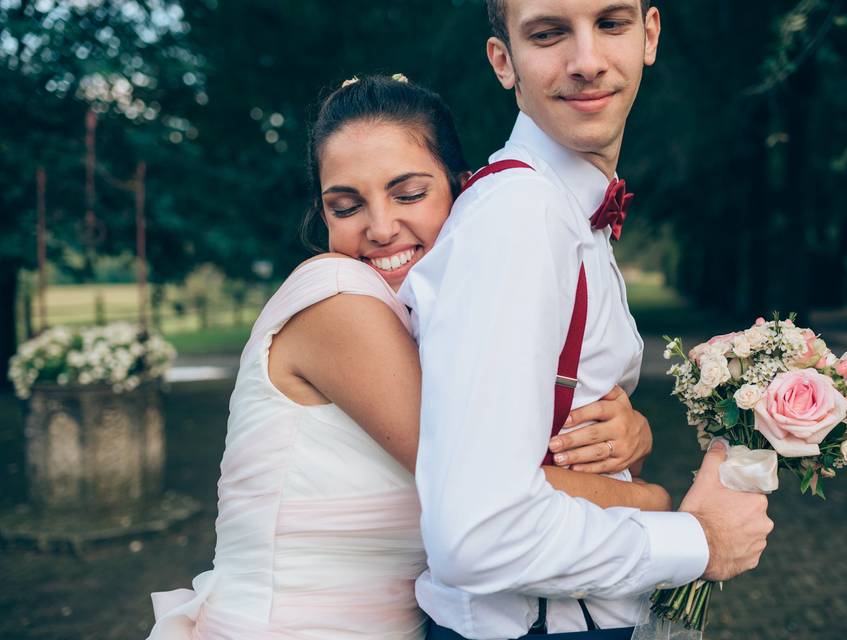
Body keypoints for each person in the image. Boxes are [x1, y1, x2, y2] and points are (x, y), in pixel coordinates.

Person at [146, 75, 674, 640]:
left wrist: (628, 436)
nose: (379, 228)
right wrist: (657, 500)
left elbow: (553, 456)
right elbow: (496, 486)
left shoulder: (443, 326)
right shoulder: (338, 302)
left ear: (463, 191)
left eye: (408, 194)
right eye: (346, 206)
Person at [398, 1, 775, 638]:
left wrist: (635, 435)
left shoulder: (567, 209)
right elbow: (477, 536)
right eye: (547, 34)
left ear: (649, 34)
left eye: (611, 23)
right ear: (503, 61)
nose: (587, 62)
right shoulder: (518, 215)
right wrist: (696, 540)